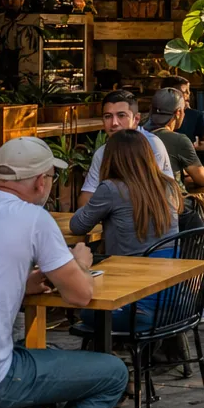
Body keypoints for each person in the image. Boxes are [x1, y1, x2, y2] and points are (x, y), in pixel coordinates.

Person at [0, 138, 128, 408]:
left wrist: (24, 282)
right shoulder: (34, 219)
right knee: (111, 374)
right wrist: (79, 261)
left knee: (38, 363)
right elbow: (80, 296)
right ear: (40, 183)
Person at [70, 131, 182, 330]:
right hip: (178, 300)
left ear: (111, 159)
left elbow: (77, 225)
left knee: (87, 312)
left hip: (135, 305)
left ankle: (106, 357)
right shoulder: (168, 186)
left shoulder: (112, 189)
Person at [147, 88, 204, 320]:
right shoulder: (177, 139)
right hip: (178, 211)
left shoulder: (138, 136)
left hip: (145, 209)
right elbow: (201, 178)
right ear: (178, 113)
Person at [79, 91, 174, 207]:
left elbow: (151, 196)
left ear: (136, 119)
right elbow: (87, 197)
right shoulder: (102, 153)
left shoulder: (152, 145)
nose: (114, 123)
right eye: (108, 116)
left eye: (121, 115)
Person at [159, 75, 204, 147]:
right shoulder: (157, 114)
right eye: (184, 92)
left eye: (189, 91)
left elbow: (203, 142)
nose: (188, 95)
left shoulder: (196, 116)